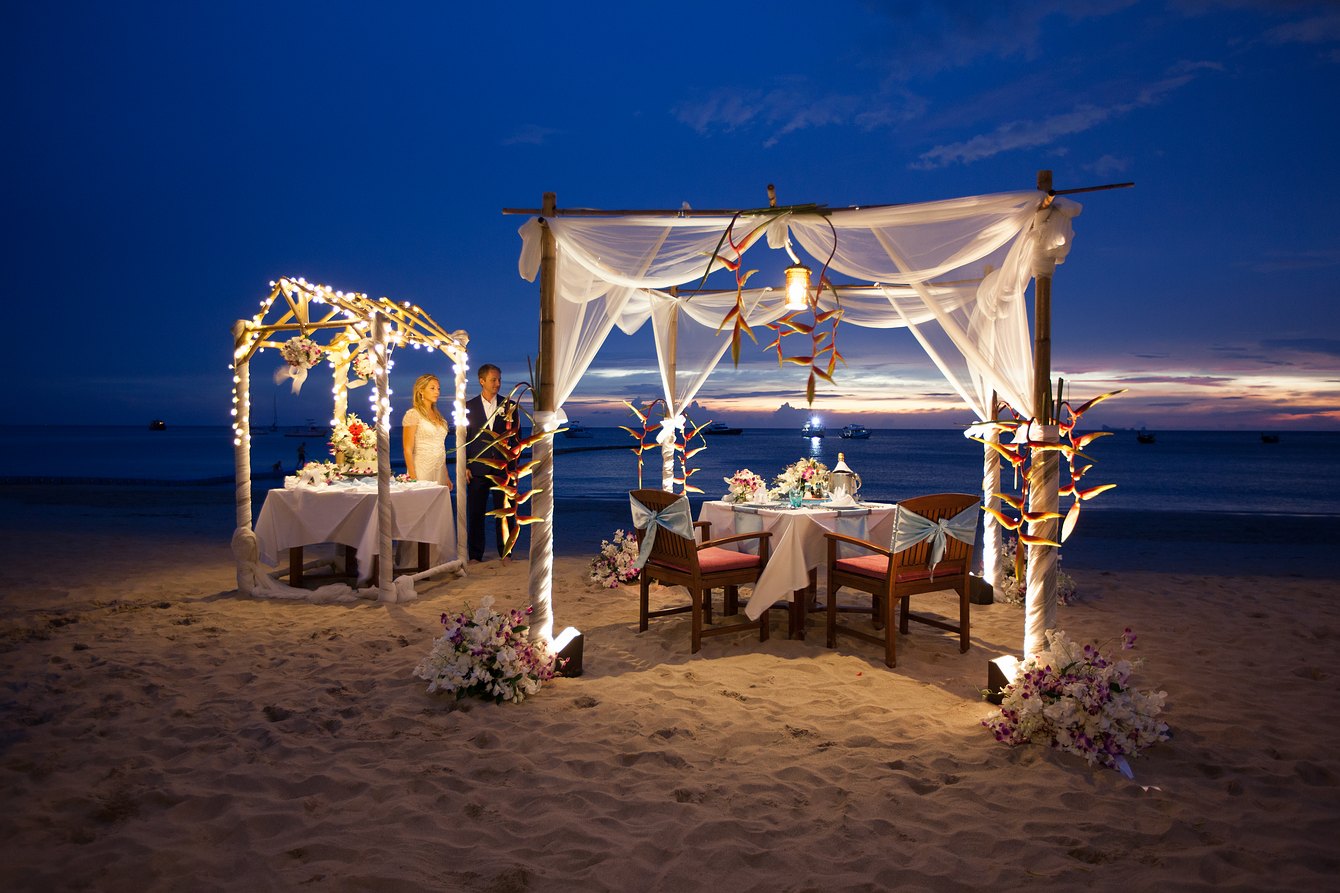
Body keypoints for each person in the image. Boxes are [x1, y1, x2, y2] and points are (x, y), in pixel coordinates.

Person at [464, 364, 519, 563]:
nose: (497, 383)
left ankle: (506, 552)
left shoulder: (509, 406)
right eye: (493, 380)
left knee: (505, 512)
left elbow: (516, 439)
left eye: (499, 380)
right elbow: (463, 439)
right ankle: (475, 555)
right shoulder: (468, 407)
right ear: (482, 381)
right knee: (475, 513)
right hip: (477, 469)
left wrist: (513, 467)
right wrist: (465, 466)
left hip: (503, 469)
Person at [401, 373, 454, 490]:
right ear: (421, 391)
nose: (437, 392)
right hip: (421, 469)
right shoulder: (413, 414)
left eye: (438, 389)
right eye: (432, 388)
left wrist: (446, 476)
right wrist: (413, 477)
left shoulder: (439, 417)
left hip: (439, 469)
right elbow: (407, 449)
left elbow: (441, 448)